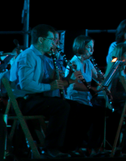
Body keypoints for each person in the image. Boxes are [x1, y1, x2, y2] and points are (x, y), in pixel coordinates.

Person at [8, 24, 75, 158]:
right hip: (23, 101)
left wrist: (64, 79)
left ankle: (68, 147)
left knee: (74, 106)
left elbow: (36, 82)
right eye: (51, 40)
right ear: (41, 40)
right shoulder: (28, 56)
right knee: (61, 107)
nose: (53, 43)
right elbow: (25, 85)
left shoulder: (39, 56)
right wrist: (50, 86)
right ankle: (51, 148)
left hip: (34, 99)